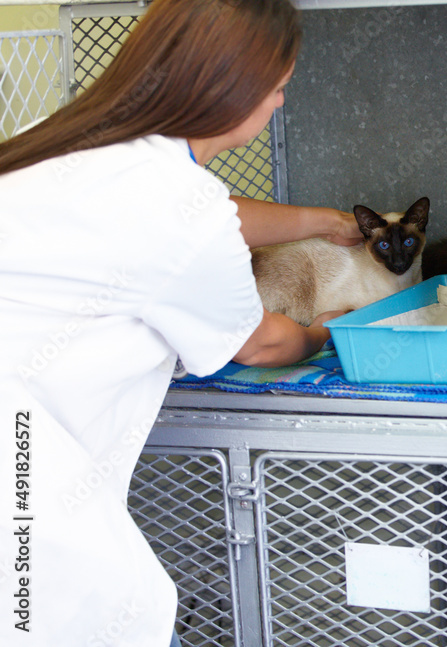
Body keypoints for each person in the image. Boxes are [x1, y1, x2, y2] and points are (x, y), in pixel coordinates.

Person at [0, 1, 358, 644]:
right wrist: (334, 329)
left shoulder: (71, 142)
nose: (280, 105)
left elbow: (206, 216)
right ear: (231, 88)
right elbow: (260, 342)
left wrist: (325, 222)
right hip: (23, 474)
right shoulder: (173, 203)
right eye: (278, 88)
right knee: (102, 614)